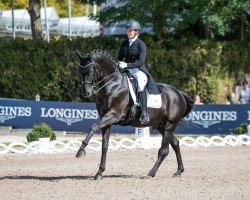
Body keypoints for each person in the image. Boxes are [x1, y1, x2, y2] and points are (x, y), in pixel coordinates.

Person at [117, 20, 159, 124]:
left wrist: (126, 65)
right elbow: (119, 58)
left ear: (136, 32)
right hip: (126, 70)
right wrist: (117, 63)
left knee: (140, 83)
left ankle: (144, 113)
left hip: (138, 70)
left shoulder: (141, 45)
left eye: (131, 31)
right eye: (128, 31)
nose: (129, 32)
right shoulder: (124, 43)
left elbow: (141, 62)